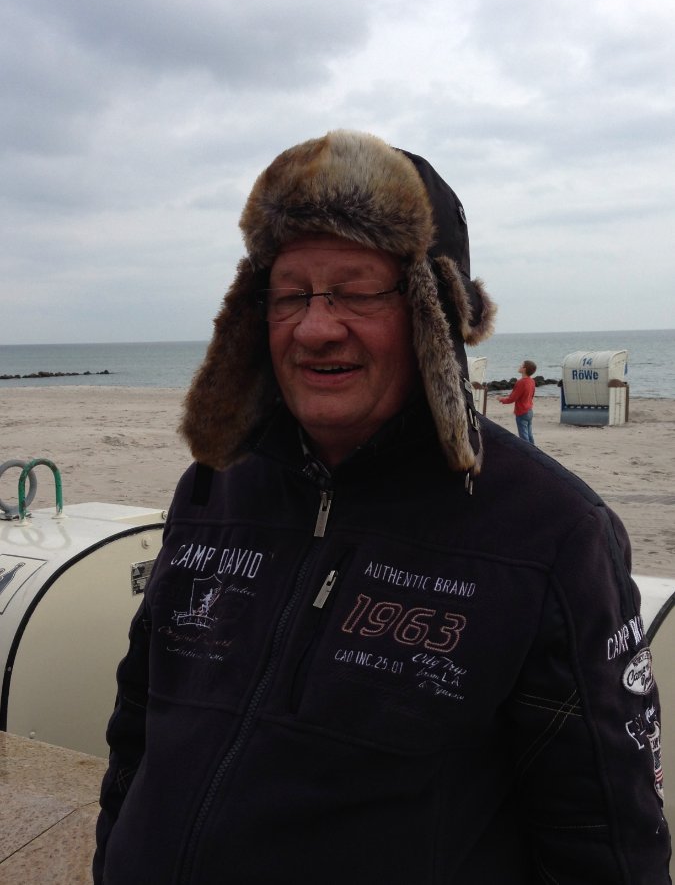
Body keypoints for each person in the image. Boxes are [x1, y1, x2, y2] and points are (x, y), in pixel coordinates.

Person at [94, 130, 671, 884]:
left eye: (357, 291)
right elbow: (139, 726)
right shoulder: (214, 486)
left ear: (432, 313)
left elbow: (606, 839)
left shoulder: (550, 533)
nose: (315, 327)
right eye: (291, 294)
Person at [499, 359, 537, 443]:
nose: (519, 366)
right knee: (529, 435)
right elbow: (531, 395)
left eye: (521, 365)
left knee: (524, 437)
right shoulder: (532, 381)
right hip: (529, 410)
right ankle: (533, 449)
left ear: (524, 369)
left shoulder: (521, 382)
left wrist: (501, 399)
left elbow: (512, 398)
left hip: (522, 412)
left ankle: (527, 451)